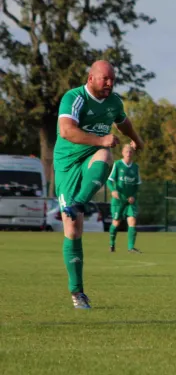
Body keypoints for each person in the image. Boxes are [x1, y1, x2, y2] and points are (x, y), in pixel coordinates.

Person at [53, 60, 144, 309]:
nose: (109, 83)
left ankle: (79, 203)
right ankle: (77, 292)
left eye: (112, 79)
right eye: (105, 79)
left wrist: (136, 139)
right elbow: (66, 132)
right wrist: (101, 138)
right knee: (73, 230)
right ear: (90, 78)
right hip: (67, 165)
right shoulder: (74, 97)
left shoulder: (114, 101)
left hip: (92, 157)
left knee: (105, 156)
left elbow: (122, 121)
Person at [107, 144, 143, 254]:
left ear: (132, 154)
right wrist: (113, 190)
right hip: (119, 200)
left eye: (130, 151)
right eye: (126, 151)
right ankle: (112, 244)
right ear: (123, 153)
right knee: (116, 223)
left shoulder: (135, 167)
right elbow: (109, 180)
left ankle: (131, 247)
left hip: (130, 201)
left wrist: (133, 195)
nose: (128, 153)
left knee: (132, 221)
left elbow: (137, 185)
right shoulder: (118, 165)